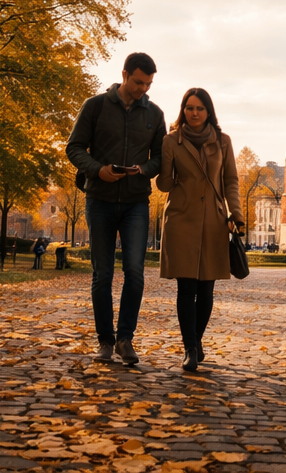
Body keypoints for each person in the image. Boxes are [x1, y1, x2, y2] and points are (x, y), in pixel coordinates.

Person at [65, 52, 167, 366]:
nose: (143, 89)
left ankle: (125, 339)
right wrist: (98, 170)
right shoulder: (94, 106)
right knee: (102, 275)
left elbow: (161, 158)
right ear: (124, 75)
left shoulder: (155, 113)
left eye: (148, 84)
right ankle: (105, 341)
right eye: (138, 82)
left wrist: (143, 170)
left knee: (135, 273)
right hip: (100, 200)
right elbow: (74, 147)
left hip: (136, 202)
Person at [157, 87, 244, 373]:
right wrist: (164, 166)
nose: (193, 113)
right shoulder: (171, 141)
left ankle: (197, 339)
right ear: (182, 110)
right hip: (182, 220)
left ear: (209, 112)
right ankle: (190, 348)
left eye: (199, 108)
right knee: (186, 288)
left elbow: (230, 180)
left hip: (214, 222)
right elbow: (164, 185)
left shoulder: (223, 141)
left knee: (207, 289)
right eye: (189, 108)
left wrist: (236, 215)